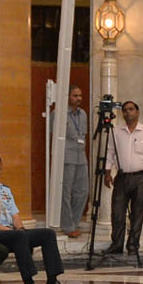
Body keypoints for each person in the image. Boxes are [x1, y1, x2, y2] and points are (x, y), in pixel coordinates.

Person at [0, 154, 70, 284]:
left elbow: (15, 216)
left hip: (10, 234)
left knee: (48, 234)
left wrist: (20, 229)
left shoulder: (5, 190)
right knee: (19, 236)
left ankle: (52, 281)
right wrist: (10, 231)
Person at [105, 99, 143, 263]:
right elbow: (110, 153)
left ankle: (133, 245)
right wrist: (107, 172)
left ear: (137, 112)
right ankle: (116, 244)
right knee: (118, 212)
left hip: (141, 177)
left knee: (137, 212)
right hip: (122, 177)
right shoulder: (116, 132)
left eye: (131, 109)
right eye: (125, 110)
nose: (128, 113)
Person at [56, 85, 93, 235]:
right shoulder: (59, 114)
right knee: (66, 192)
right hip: (66, 157)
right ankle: (67, 226)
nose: (79, 99)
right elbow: (51, 132)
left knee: (83, 191)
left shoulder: (83, 114)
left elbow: (82, 135)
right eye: (75, 96)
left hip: (81, 157)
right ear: (68, 97)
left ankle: (75, 222)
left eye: (80, 96)